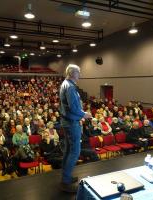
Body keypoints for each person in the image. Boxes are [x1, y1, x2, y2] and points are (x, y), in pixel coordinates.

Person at [59, 64, 92, 193]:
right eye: (79, 72)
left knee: (68, 151)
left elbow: (71, 107)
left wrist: (79, 116)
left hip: (69, 121)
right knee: (75, 152)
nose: (80, 75)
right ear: (73, 73)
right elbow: (73, 107)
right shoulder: (70, 87)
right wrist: (84, 114)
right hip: (71, 123)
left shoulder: (65, 84)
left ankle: (66, 178)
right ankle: (65, 182)